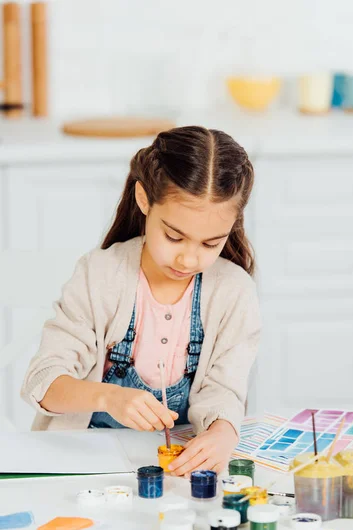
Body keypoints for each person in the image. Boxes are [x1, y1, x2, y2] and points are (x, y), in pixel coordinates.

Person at [21, 125, 260, 476]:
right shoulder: (99, 274)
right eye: (174, 236)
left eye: (211, 243)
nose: (189, 260)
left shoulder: (233, 290)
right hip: (81, 465)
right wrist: (108, 397)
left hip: (176, 468)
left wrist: (223, 432)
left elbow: (224, 392)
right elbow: (42, 381)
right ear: (144, 199)